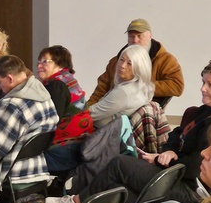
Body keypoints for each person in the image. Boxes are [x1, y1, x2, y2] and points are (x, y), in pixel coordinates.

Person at [45, 58, 211, 203]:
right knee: (117, 185)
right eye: (203, 82)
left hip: (192, 190)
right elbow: (176, 134)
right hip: (177, 174)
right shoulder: (207, 110)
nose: (203, 88)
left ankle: (75, 202)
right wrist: (169, 152)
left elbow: (195, 167)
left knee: (120, 164)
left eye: (210, 85)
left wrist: (161, 159)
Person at [37, 44, 154, 177]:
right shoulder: (143, 88)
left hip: (91, 143)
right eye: (121, 59)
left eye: (129, 63)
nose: (122, 65)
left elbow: (88, 113)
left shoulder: (124, 93)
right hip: (94, 141)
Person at [0, 55, 58, 203]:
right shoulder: (44, 96)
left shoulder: (12, 105)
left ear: (9, 78)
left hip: (12, 172)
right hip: (37, 166)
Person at [87, 18, 184, 108]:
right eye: (131, 36)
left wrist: (141, 87)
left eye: (139, 36)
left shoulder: (166, 60)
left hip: (141, 113)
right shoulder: (115, 62)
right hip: (112, 108)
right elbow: (100, 90)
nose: (135, 40)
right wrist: (86, 109)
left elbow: (177, 86)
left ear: (150, 35)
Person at [36, 45, 86, 115]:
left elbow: (53, 119)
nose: (39, 66)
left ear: (60, 65)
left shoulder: (57, 86)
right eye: (39, 62)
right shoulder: (67, 80)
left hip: (69, 125)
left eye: (45, 61)